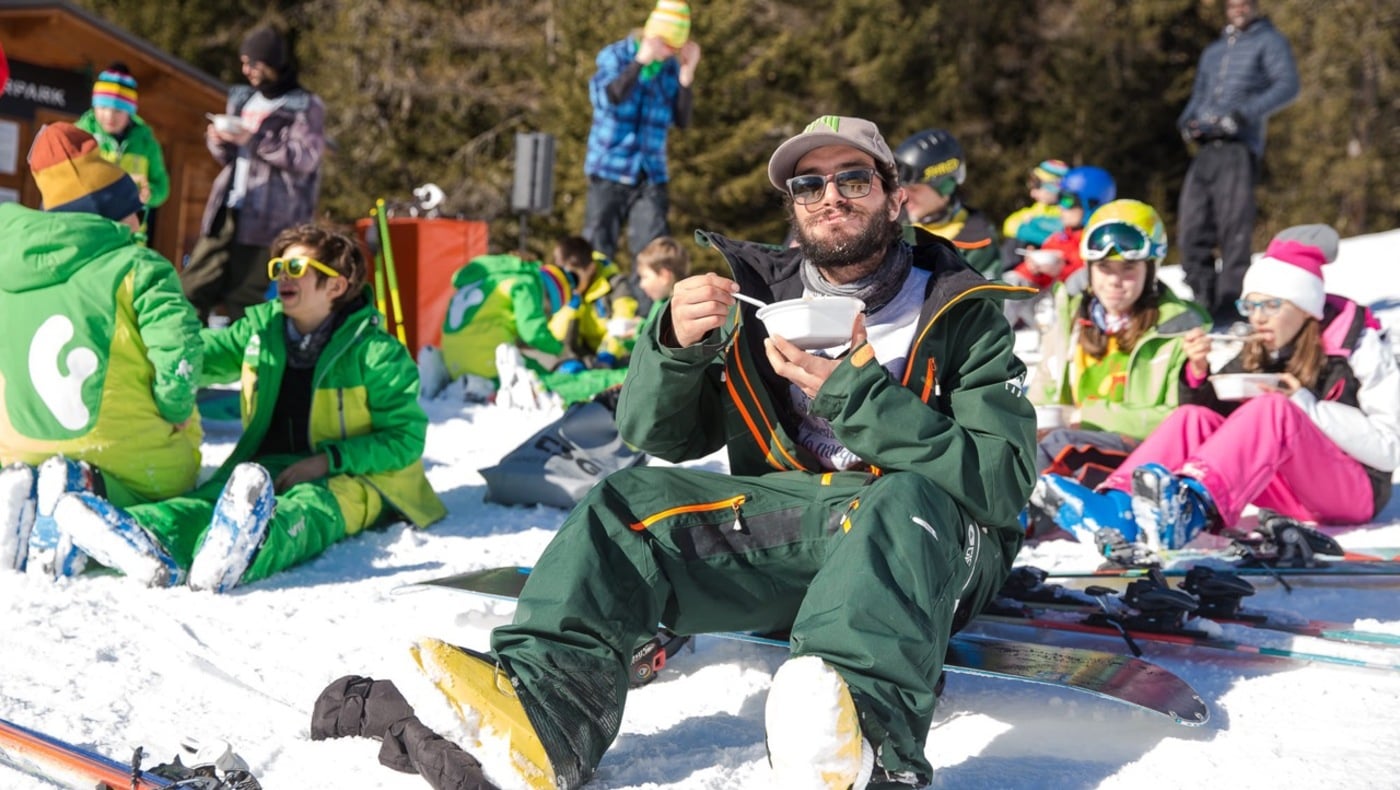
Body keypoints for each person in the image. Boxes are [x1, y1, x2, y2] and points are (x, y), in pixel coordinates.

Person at [406, 115, 1036, 790]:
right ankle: (544, 711)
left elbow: (1003, 482)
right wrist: (672, 345)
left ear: (893, 195)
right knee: (626, 506)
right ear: (793, 206)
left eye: (853, 178)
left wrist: (859, 397)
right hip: (809, 528)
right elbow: (663, 435)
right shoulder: (761, 299)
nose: (832, 196)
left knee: (901, 498)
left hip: (932, 544)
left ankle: (861, 742)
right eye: (809, 183)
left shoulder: (960, 310)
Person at [52, 225, 446, 592]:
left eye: (296, 267)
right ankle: (131, 534)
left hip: (359, 476)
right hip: (271, 464)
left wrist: (326, 461)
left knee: (309, 512)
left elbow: (405, 439)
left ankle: (242, 551)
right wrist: (140, 351)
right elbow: (197, 356)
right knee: (205, 501)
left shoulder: (375, 353)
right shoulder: (262, 331)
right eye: (278, 267)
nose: (282, 276)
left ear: (336, 286)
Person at [1027, 235, 1399, 554]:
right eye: (1250, 306)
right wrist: (1198, 373)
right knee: (1194, 418)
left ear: (1305, 308)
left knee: (1273, 409)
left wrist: (1303, 403)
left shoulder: (1359, 349)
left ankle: (1193, 508)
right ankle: (1119, 505)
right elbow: (1212, 427)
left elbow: (1388, 449)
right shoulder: (1258, 349)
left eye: (1271, 305)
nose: (1259, 318)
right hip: (1291, 494)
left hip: (1357, 493)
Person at [0, 123, 202, 577]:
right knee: (180, 497)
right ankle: (92, 496)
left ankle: (32, 503)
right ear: (116, 215)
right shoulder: (139, 265)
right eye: (138, 214)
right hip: (124, 453)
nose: (141, 225)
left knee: (28, 461)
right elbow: (180, 349)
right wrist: (176, 407)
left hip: (19, 444)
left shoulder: (7, 266)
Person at [1023, 199, 1208, 503]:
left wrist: (1088, 415)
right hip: (1072, 440)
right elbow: (1045, 388)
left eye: (1128, 269)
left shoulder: (1177, 328)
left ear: (1150, 269)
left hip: (1140, 451)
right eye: (1104, 268)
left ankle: (1014, 519)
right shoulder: (1072, 317)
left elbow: (1178, 422)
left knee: (1061, 447)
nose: (1114, 281)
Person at [180, 25, 327, 326]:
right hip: (230, 205)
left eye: (253, 64)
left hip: (270, 218)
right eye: (244, 62)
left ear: (272, 63)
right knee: (193, 286)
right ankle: (188, 358)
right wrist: (219, 141)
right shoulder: (244, 99)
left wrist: (253, 139)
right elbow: (233, 159)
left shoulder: (304, 105)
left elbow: (305, 158)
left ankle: (242, 366)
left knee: (243, 297)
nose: (246, 70)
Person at [1176, 0, 1299, 326]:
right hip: (1206, 149)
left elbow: (1287, 85)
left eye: (1244, 3)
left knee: (1234, 229)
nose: (1238, 8)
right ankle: (1202, 297)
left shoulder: (1269, 41)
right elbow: (1198, 95)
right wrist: (1187, 121)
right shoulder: (1214, 51)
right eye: (1233, 4)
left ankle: (1230, 304)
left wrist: (1242, 115)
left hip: (1238, 146)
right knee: (1191, 227)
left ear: (1255, 6)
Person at [581, 0, 700, 267]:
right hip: (609, 168)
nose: (670, 53)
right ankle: (597, 306)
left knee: (654, 251)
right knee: (598, 247)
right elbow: (608, 98)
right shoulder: (616, 56)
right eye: (667, 45)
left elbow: (681, 120)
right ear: (652, 35)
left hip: (650, 173)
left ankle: (649, 307)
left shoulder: (670, 69)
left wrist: (686, 76)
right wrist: (639, 62)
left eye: (675, 48)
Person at [427, 254, 572, 397]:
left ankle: (448, 375)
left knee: (524, 360)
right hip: (487, 363)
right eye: (545, 309)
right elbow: (532, 331)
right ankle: (485, 385)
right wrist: (560, 349)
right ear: (548, 295)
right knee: (548, 381)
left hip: (452, 359)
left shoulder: (486, 277)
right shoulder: (525, 283)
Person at [1002, 165, 1117, 330]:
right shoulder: (1059, 237)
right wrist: (1032, 269)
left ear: (1091, 204)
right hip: (1049, 312)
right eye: (1060, 199)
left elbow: (1092, 275)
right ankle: (987, 339)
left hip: (1084, 316)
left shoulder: (1101, 240)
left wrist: (1061, 269)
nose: (1060, 207)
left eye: (1068, 200)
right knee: (1012, 281)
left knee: (1078, 280)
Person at [893, 127, 1002, 279]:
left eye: (914, 189)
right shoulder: (891, 225)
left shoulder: (977, 241)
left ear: (944, 188)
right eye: (901, 188)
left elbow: (987, 299)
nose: (904, 197)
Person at [74, 63, 170, 216]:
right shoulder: (79, 135)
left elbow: (162, 187)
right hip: (87, 224)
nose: (109, 116)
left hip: (129, 232)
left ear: (130, 112)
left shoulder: (146, 143)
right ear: (94, 106)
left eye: (118, 110)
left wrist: (148, 192)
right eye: (103, 107)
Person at [546, 236, 640, 372]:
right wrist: (569, 308)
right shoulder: (565, 291)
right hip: (583, 354)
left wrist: (608, 353)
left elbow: (623, 322)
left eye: (574, 276)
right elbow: (557, 337)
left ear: (591, 269)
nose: (570, 282)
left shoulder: (616, 285)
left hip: (615, 353)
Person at [1000, 158, 1069, 260]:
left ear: (1054, 186)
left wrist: (1034, 223)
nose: (1032, 193)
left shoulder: (1071, 207)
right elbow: (1009, 224)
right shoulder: (1041, 207)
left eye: (1037, 185)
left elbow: (1065, 231)